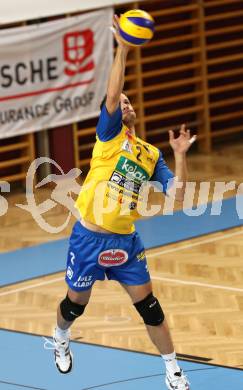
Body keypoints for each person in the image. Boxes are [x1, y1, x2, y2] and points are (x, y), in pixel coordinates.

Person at [52, 15, 196, 390]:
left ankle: (173, 368)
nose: (125, 103)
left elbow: (178, 195)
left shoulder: (150, 155)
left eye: (131, 102)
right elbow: (113, 94)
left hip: (125, 243)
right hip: (88, 238)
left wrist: (179, 154)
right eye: (122, 101)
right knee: (74, 307)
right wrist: (123, 49)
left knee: (150, 308)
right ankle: (60, 336)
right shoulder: (109, 136)